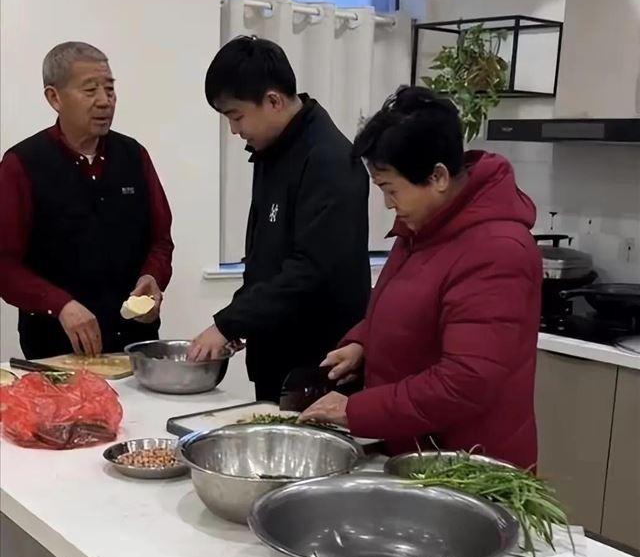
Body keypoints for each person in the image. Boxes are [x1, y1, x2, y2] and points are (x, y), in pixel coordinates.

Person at [300, 85, 542, 469]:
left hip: (468, 467)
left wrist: (356, 410)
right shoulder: (424, 224)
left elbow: (465, 381)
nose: (388, 204)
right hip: (418, 451)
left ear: (438, 176)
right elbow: (410, 305)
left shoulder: (498, 250)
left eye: (391, 189)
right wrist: (363, 341)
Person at [188, 36, 371, 402]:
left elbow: (311, 269)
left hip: (318, 364)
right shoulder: (273, 149)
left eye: (236, 116)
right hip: (275, 355)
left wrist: (227, 323)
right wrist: (241, 319)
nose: (234, 130)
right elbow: (265, 259)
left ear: (273, 100)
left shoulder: (329, 160)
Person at [0, 42, 174, 359]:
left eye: (110, 89)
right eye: (91, 90)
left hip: (134, 346)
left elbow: (160, 240)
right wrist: (60, 305)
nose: (105, 101)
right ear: (54, 98)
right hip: (55, 349)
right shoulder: (21, 164)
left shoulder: (133, 155)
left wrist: (152, 277)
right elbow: (5, 265)